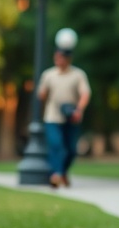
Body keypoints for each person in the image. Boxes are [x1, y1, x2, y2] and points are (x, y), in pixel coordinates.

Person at [37, 47, 91, 188]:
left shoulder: (78, 74)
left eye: (61, 58)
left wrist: (78, 110)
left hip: (71, 116)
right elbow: (41, 94)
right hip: (53, 116)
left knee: (71, 150)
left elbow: (85, 94)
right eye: (56, 57)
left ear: (68, 59)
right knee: (56, 145)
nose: (58, 60)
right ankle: (56, 175)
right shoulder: (48, 75)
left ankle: (63, 172)